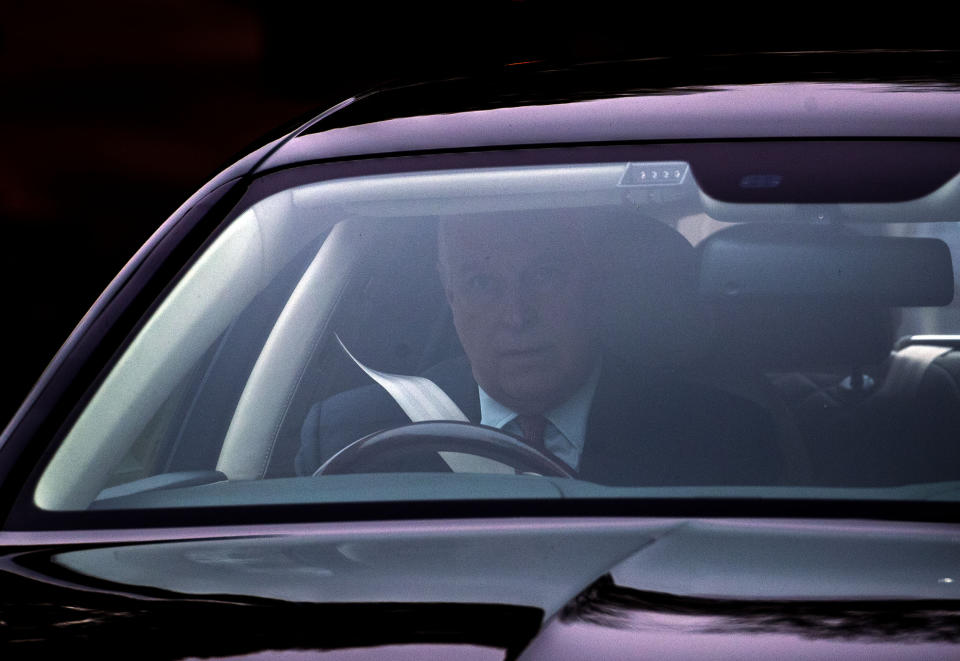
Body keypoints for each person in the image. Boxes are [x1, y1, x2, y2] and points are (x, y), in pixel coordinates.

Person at [295, 208, 782, 485]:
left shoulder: (721, 440)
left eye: (545, 276)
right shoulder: (351, 440)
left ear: (593, 285)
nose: (517, 316)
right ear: (450, 296)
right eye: (483, 283)